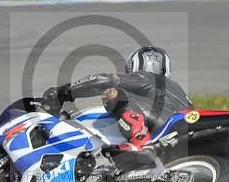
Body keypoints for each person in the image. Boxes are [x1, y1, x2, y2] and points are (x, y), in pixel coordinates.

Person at [41, 46, 193, 151]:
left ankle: (140, 141)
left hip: (165, 128)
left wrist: (65, 92)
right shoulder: (179, 90)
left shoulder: (145, 78)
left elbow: (104, 80)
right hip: (186, 135)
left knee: (113, 94)